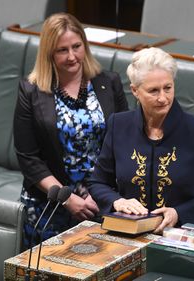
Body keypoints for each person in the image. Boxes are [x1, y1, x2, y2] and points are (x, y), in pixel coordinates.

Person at [88, 47, 194, 233]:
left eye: (168, 88)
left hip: (180, 235)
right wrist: (117, 201)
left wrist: (179, 213)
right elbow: (98, 182)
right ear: (135, 91)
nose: (163, 98)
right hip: (127, 233)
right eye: (153, 91)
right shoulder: (119, 125)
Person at [13, 13, 129, 248]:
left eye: (77, 47)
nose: (72, 56)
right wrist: (66, 198)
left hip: (102, 199)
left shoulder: (109, 82)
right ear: (48, 53)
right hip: (49, 201)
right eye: (62, 50)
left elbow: (124, 143)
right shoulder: (31, 91)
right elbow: (28, 158)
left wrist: (101, 192)